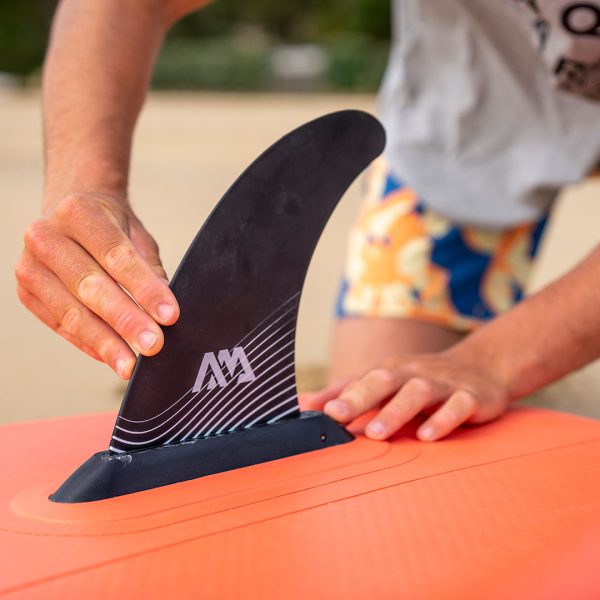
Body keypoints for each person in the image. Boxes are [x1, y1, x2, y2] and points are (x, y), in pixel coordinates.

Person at [16, 0, 600, 443]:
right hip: (465, 133)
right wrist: (84, 183)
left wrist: (489, 361)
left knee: (473, 377)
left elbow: (487, 367)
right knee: (383, 414)